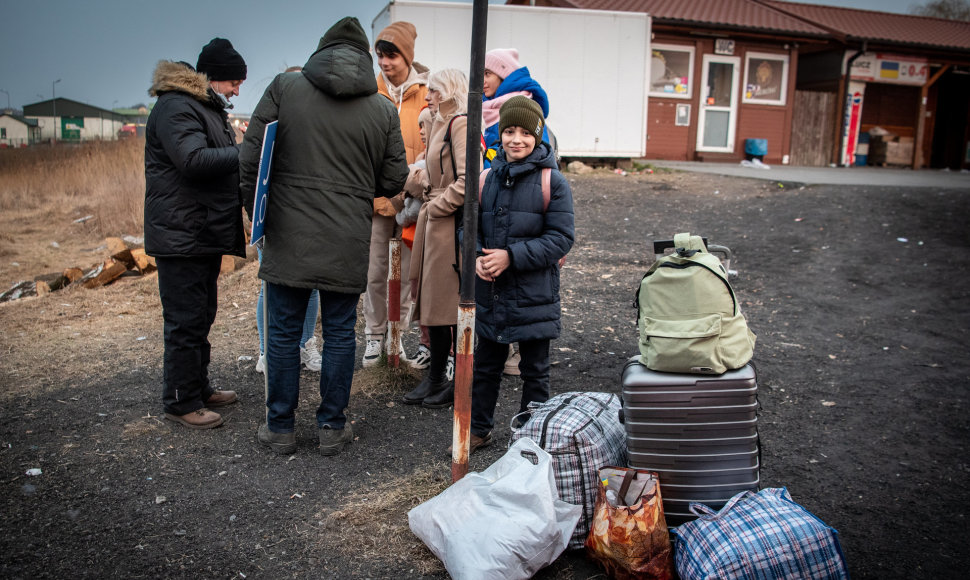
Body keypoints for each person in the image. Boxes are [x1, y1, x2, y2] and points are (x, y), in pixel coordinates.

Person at [239, 17, 409, 456]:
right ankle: (332, 427)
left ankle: (279, 427)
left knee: (281, 333)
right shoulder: (383, 109)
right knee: (338, 333)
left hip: (288, 234)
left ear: (321, 50)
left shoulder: (284, 88)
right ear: (364, 60)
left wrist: (258, 216)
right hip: (347, 236)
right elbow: (394, 179)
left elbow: (251, 159)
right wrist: (356, 191)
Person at [144, 38, 247, 430]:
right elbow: (192, 160)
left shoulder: (202, 106)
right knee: (185, 321)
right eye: (234, 81)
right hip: (180, 235)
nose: (238, 90)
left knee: (202, 315)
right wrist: (247, 150)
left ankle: (198, 386)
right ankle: (180, 401)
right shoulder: (175, 106)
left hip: (199, 231)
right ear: (213, 78)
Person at [467, 96, 574, 453]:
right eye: (509, 131)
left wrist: (511, 257)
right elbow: (467, 229)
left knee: (535, 371)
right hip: (492, 292)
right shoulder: (485, 178)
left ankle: (531, 435)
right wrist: (477, 257)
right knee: (485, 366)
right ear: (500, 134)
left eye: (525, 133)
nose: (516, 139)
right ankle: (478, 429)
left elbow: (561, 238)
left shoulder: (552, 182)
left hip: (533, 295)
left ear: (538, 136)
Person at [400, 68, 477, 408]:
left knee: (444, 305)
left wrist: (437, 207)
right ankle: (436, 379)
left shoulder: (459, 124)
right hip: (436, 223)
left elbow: (468, 179)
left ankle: (446, 382)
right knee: (432, 303)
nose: (427, 96)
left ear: (446, 92)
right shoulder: (441, 125)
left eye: (432, 90)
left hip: (445, 225)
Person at [361, 21, 430, 368]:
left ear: (407, 55)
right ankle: (374, 336)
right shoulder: (369, 91)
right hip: (376, 200)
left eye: (392, 55)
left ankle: (397, 335)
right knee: (375, 270)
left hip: (413, 200)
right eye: (380, 55)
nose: (385, 62)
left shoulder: (426, 92)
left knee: (406, 272)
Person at [482, 47, 553, 376]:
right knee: (496, 283)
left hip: (527, 212)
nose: (481, 81)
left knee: (525, 286)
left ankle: (519, 352)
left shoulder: (526, 111)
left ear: (504, 74)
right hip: (494, 203)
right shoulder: (488, 111)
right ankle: (502, 346)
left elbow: (550, 170)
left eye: (487, 74)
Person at [253, 65, 321, 375]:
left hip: (311, 220)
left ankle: (305, 345)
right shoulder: (271, 125)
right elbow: (254, 171)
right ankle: (268, 352)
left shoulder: (318, 125)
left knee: (313, 287)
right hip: (276, 218)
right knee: (272, 287)